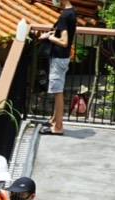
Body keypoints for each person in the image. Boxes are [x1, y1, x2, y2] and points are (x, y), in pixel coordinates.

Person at [39, 0, 76, 136]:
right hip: (63, 58)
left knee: (57, 91)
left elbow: (64, 42)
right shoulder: (72, 12)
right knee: (58, 90)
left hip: (59, 58)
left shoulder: (64, 16)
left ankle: (58, 127)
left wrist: (48, 38)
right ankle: (54, 120)